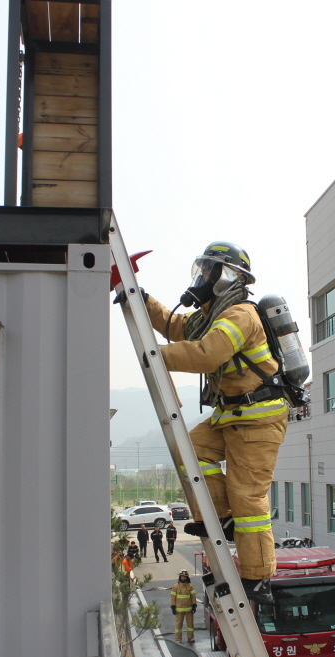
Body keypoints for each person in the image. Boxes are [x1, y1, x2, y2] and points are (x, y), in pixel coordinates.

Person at [118, 242, 286, 604]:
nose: (202, 277)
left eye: (208, 270)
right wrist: (142, 300)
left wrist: (155, 355)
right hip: (232, 416)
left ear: (227, 275)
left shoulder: (240, 315)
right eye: (202, 269)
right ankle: (222, 518)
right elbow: (178, 326)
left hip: (259, 420)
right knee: (188, 448)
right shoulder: (213, 315)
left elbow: (208, 354)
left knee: (248, 497)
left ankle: (259, 578)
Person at [170, 570, 196, 643]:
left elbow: (193, 596)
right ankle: (178, 639)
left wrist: (194, 605)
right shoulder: (175, 587)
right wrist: (173, 607)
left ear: (187, 578)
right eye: (182, 576)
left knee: (190, 625)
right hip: (179, 610)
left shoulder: (190, 587)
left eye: (185, 577)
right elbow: (173, 598)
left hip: (189, 609)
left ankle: (190, 637)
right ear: (180, 577)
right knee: (178, 625)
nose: (183, 578)